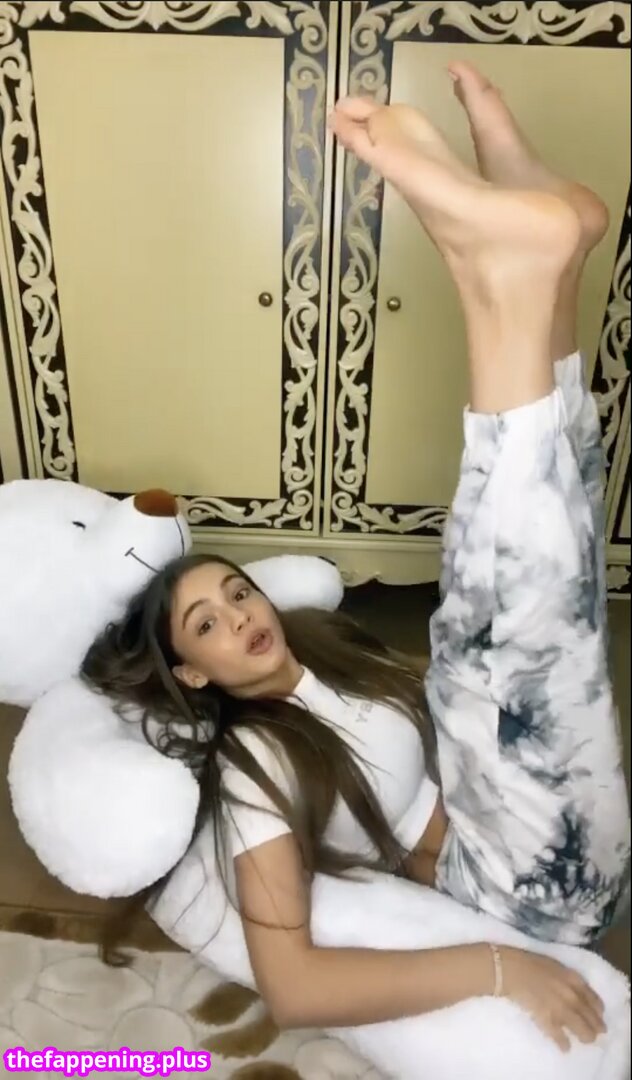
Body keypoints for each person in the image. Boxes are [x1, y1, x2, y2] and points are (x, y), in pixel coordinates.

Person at [83, 63, 630, 1053]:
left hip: (502, 806)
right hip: (515, 887)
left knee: (550, 571)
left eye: (235, 591)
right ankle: (507, 274)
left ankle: (537, 268)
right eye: (207, 623)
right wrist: (502, 967)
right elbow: (293, 986)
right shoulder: (254, 760)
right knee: (538, 607)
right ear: (192, 672)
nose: (240, 613)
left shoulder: (323, 655)